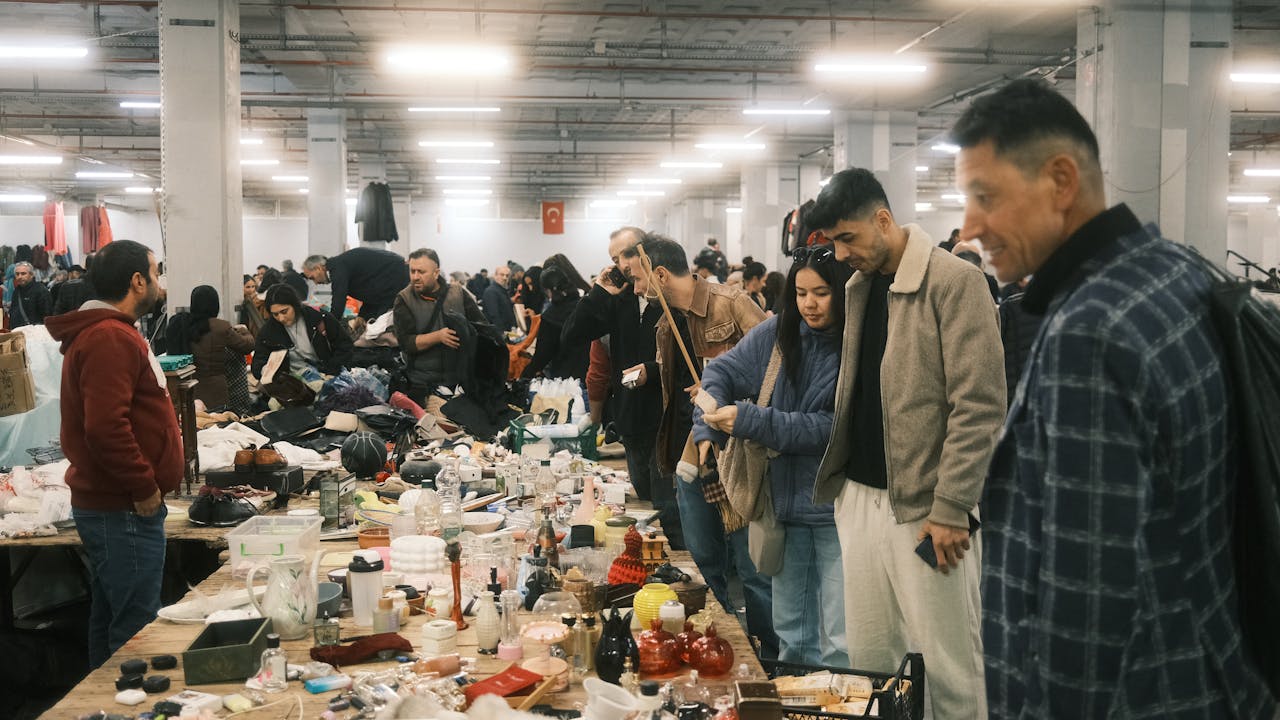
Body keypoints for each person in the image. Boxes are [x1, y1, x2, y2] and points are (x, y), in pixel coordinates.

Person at [952, 78, 1276, 718]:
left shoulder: (1088, 334)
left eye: (985, 197)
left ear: (1061, 181)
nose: (969, 227)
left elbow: (1086, 599)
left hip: (1139, 695)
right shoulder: (1178, 270)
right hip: (1210, 672)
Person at [809, 168, 1005, 720]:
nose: (842, 253)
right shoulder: (860, 287)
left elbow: (981, 407)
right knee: (874, 662)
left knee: (947, 667)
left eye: (848, 238)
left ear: (883, 219)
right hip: (861, 501)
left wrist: (951, 508)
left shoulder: (954, 282)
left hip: (927, 510)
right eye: (833, 242)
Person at [692, 244, 852, 666]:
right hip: (783, 510)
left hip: (838, 510)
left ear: (843, 290)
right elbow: (719, 373)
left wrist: (749, 419)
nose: (809, 304)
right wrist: (706, 424)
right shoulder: (780, 333)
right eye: (800, 293)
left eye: (821, 292)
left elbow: (828, 428)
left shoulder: (856, 346)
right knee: (793, 635)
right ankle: (800, 706)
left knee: (841, 639)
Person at [638, 233, 778, 658]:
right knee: (701, 562)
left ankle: (770, 661)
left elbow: (779, 367)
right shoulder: (664, 324)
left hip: (735, 455)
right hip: (690, 459)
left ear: (660, 274)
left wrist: (725, 383)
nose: (637, 288)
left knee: (750, 567)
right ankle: (719, 647)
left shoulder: (731, 303)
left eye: (640, 278)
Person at [45, 239, 182, 668]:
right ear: (137, 280)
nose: (160, 285)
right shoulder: (109, 336)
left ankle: (104, 708)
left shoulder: (110, 332)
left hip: (116, 506)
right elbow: (106, 428)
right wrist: (143, 487)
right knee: (135, 630)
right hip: (123, 508)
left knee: (112, 620)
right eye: (156, 275)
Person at [564, 227, 682, 547]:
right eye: (614, 259)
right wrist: (600, 291)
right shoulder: (620, 299)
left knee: (669, 514)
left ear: (645, 252)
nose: (621, 266)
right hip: (631, 422)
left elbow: (690, 358)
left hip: (666, 422)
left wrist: (653, 372)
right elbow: (572, 335)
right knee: (645, 504)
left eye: (624, 256)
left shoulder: (669, 296)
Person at [392, 248, 490, 417]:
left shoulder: (458, 293)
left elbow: (482, 327)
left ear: (436, 272)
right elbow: (406, 343)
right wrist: (438, 336)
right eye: (412, 271)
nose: (415, 277)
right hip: (423, 385)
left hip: (460, 383)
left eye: (421, 272)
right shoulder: (404, 299)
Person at [166, 285, 255, 411]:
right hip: (215, 391)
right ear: (215, 304)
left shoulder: (182, 324)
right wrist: (245, 331)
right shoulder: (221, 327)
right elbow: (246, 346)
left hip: (187, 387)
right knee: (216, 423)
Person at [250, 284, 352, 379]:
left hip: (326, 375)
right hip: (292, 383)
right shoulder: (268, 331)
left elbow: (344, 345)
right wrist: (267, 371)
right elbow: (258, 362)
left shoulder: (319, 318)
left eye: (284, 311)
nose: (281, 318)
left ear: (294, 305)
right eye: (275, 314)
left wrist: (332, 371)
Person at [520, 260, 588, 381]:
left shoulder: (551, 316)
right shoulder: (585, 305)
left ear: (548, 291)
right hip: (589, 372)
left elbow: (542, 355)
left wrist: (525, 375)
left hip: (565, 378)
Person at [303, 247, 409, 320]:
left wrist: (331, 325)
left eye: (312, 278)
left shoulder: (338, 267)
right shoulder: (341, 266)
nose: (316, 283)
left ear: (318, 268)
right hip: (393, 282)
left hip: (399, 277)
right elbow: (370, 294)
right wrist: (362, 317)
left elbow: (338, 301)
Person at [9, 261, 52, 326]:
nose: (19, 276)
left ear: (31, 275)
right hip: (18, 332)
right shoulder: (16, 291)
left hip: (35, 332)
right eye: (17, 274)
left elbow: (47, 315)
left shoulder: (41, 290)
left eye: (23, 274)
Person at [481, 264, 518, 331]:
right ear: (495, 276)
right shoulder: (491, 292)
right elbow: (494, 316)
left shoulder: (502, 290)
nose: (505, 278)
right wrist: (502, 335)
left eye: (507, 275)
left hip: (507, 331)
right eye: (502, 275)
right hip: (499, 333)